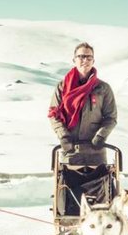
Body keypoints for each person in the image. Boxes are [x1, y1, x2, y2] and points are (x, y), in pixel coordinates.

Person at [48, 42, 118, 214]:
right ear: (74, 59)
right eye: (80, 56)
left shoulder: (103, 88)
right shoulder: (62, 87)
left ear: (93, 61)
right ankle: (68, 227)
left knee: (100, 197)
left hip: (96, 151)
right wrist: (64, 136)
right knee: (70, 193)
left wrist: (101, 137)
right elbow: (54, 114)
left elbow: (111, 117)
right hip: (71, 151)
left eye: (88, 57)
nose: (84, 60)